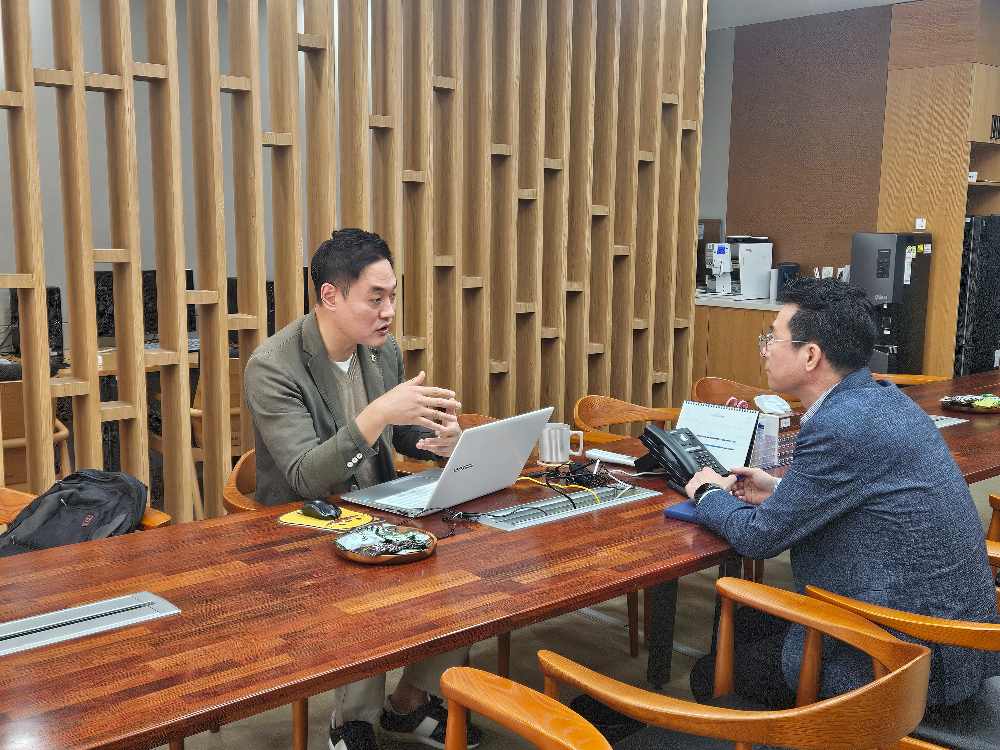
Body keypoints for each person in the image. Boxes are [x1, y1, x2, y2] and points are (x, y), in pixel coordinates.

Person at [683, 277, 1000, 710]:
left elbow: (760, 539)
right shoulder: (880, 399)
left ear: (810, 355)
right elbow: (865, 495)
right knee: (744, 625)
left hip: (905, 662)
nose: (764, 349)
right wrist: (779, 487)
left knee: (712, 669)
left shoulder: (841, 423)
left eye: (772, 338)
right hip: (950, 642)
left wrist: (706, 494)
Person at [244, 228, 481, 750]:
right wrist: (376, 415)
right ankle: (350, 723)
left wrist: (439, 443)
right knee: (364, 586)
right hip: (305, 524)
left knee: (468, 567)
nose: (388, 310)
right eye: (375, 298)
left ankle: (410, 701)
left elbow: (401, 436)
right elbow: (306, 475)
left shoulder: (381, 351)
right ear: (330, 296)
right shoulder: (273, 365)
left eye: (392, 296)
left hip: (381, 509)